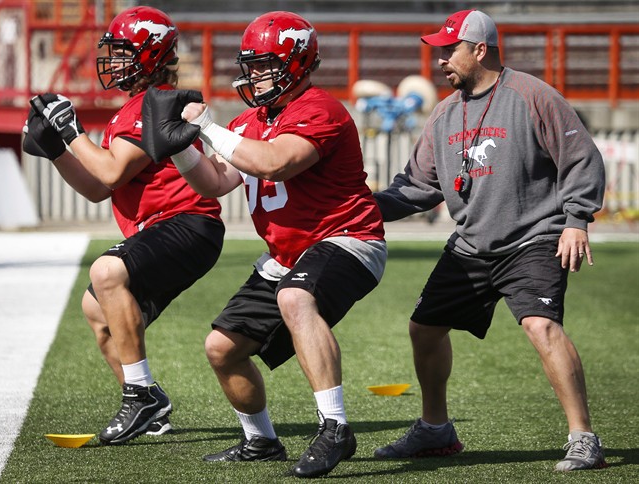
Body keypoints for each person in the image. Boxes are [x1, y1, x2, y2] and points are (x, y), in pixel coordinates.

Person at [141, 11, 387, 478]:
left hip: (349, 238)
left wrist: (207, 129)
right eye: (250, 65)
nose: (254, 75)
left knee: (297, 297)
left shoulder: (321, 109)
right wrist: (181, 148)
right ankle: (261, 440)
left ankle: (335, 427)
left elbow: (276, 164)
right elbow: (214, 183)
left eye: (266, 64)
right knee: (222, 347)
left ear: (298, 62)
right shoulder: (251, 120)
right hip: (287, 254)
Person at [371, 9, 607, 472]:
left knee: (540, 325)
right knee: (424, 328)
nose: (440, 60)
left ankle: (584, 438)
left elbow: (581, 157)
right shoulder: (444, 114)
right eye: (438, 51)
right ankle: (436, 429)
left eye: (449, 49)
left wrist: (577, 219)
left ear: (480, 50)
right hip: (472, 243)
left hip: (534, 236)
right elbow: (419, 185)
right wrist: (360, 205)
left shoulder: (532, 95)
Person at [22, 6, 225, 445]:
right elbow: (99, 189)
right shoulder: (130, 109)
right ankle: (152, 405)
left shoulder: (152, 105)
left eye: (122, 53)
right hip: (164, 228)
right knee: (96, 310)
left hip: (188, 223)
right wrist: (58, 150)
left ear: (151, 55)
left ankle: (139, 396)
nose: (112, 63)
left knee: (106, 272)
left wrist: (72, 132)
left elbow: (111, 172)